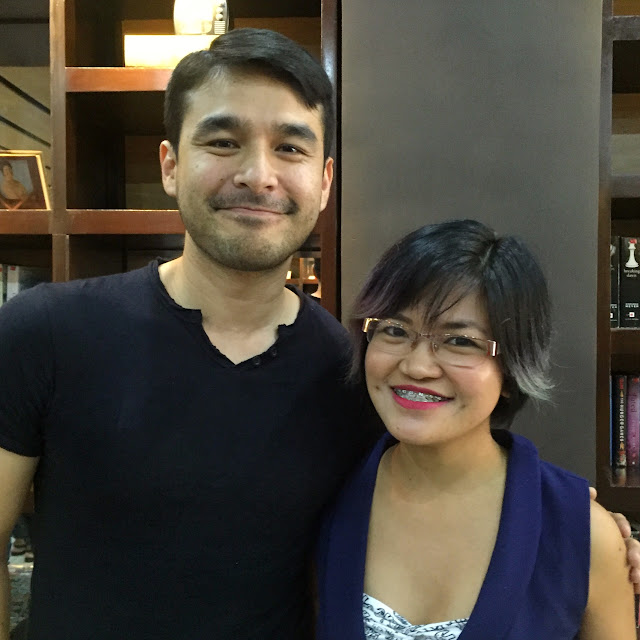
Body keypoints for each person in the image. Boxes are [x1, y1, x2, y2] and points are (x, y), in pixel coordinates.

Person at [0, 28, 637, 640]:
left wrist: (579, 530)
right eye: (222, 141)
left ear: (325, 180)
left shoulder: (348, 372)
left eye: (290, 148)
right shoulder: (45, 333)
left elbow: (444, 471)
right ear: (170, 164)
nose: (258, 174)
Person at [315, 219, 637, 639]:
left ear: (513, 370)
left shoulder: (579, 531)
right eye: (394, 330)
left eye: (460, 341)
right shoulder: (325, 494)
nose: (417, 366)